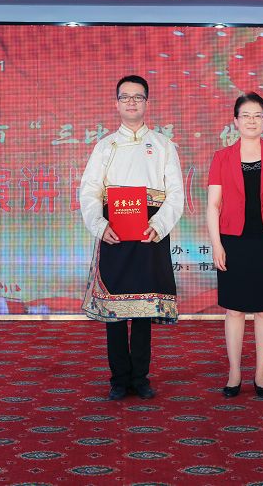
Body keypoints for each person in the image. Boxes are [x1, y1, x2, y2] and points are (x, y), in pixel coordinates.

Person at [79, 75, 184, 401]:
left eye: (138, 97)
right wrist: (100, 225)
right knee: (114, 311)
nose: (131, 102)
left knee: (143, 310)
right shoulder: (105, 146)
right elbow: (89, 192)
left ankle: (140, 378)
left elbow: (176, 194)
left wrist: (159, 224)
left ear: (146, 103)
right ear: (117, 104)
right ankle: (118, 379)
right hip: (115, 234)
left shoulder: (164, 145)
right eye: (125, 97)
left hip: (150, 234)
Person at [207, 92, 263, 398]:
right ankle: (234, 372)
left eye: (257, 115)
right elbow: (213, 205)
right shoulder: (221, 157)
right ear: (235, 120)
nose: (251, 121)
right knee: (234, 310)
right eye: (245, 115)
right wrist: (216, 245)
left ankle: (261, 373)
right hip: (233, 241)